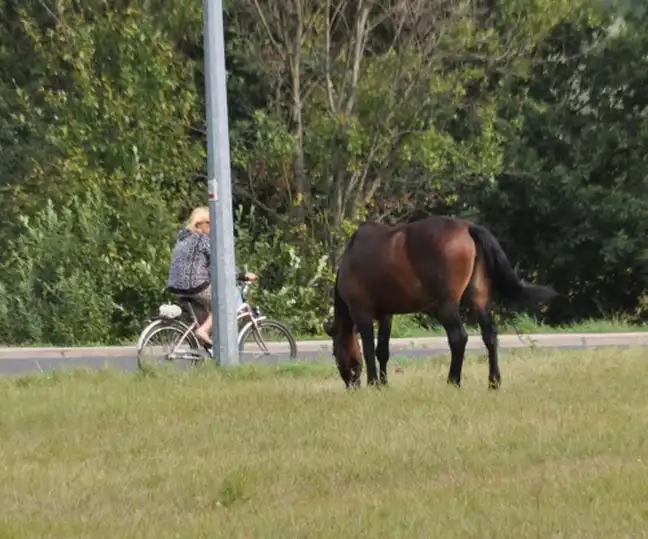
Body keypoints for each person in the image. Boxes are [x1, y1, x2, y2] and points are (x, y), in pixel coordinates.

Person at [167, 206, 257, 346]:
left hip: (176, 285)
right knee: (223, 303)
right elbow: (220, 264)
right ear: (199, 224)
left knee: (204, 319)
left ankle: (202, 347)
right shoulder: (202, 239)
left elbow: (200, 264)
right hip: (194, 285)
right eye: (209, 223)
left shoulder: (183, 238)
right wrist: (243, 275)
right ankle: (203, 332)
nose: (212, 227)